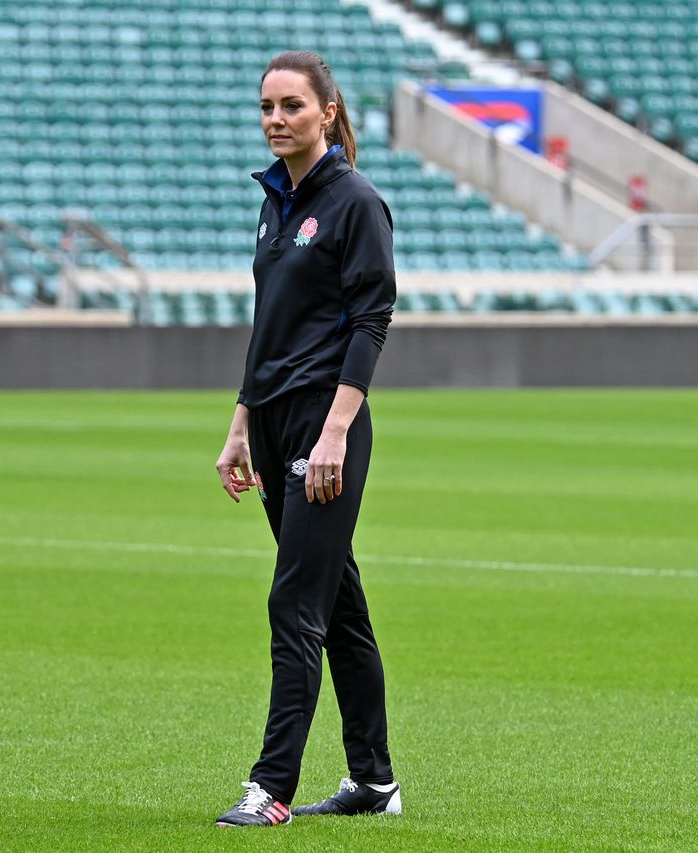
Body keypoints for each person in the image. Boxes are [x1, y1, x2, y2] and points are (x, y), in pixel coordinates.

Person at [212, 50, 400, 828]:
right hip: (279, 416)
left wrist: (334, 433)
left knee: (295, 601)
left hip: (328, 422)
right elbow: (271, 327)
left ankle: (271, 786)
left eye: (292, 105)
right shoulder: (273, 202)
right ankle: (374, 782)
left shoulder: (355, 202)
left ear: (328, 111)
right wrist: (240, 424)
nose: (276, 119)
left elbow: (371, 319)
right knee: (338, 604)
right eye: (267, 107)